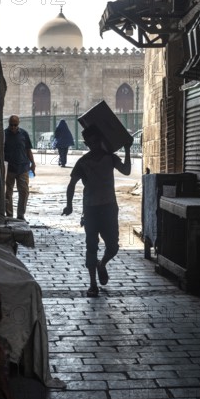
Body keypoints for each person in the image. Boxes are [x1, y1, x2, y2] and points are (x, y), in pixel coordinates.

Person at [62, 125, 132, 297]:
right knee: (91, 247)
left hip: (109, 208)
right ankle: (93, 284)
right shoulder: (83, 162)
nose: (94, 145)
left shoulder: (110, 158)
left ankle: (102, 264)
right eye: (90, 142)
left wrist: (128, 150)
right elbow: (71, 184)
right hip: (91, 210)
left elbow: (127, 171)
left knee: (113, 247)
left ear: (101, 140)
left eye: (96, 141)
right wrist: (69, 205)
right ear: (87, 143)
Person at [4, 114, 36, 221]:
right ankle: (9, 215)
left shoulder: (24, 134)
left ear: (18, 124)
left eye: (15, 125)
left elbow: (28, 150)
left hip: (23, 167)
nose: (13, 127)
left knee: (24, 192)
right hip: (9, 169)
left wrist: (33, 163)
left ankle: (20, 215)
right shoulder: (4, 134)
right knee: (8, 192)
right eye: (11, 125)